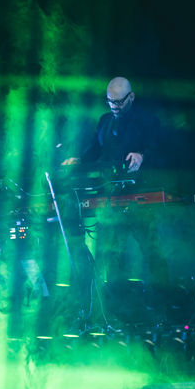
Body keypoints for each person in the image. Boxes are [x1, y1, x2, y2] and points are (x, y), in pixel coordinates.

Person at [62, 77, 170, 305]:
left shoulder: (147, 121)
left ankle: (163, 301)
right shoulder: (105, 121)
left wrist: (143, 156)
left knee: (151, 250)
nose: (114, 107)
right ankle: (116, 304)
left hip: (139, 198)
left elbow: (161, 151)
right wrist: (78, 160)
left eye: (119, 102)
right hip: (110, 199)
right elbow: (94, 150)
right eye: (110, 101)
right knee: (111, 253)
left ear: (131, 97)